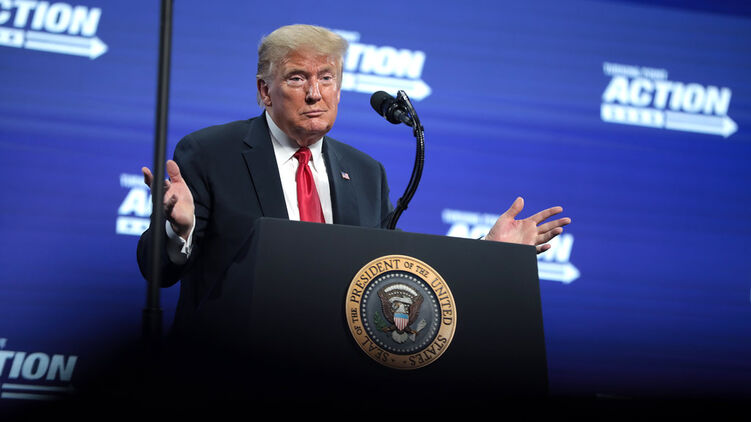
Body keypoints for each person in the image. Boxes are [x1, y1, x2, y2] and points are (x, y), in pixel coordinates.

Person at [137, 24, 570, 337]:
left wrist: (489, 253)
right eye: (297, 78)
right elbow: (156, 271)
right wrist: (179, 231)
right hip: (234, 373)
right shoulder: (210, 153)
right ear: (264, 91)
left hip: (337, 372)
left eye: (326, 78)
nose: (315, 93)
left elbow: (396, 275)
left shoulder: (365, 173)